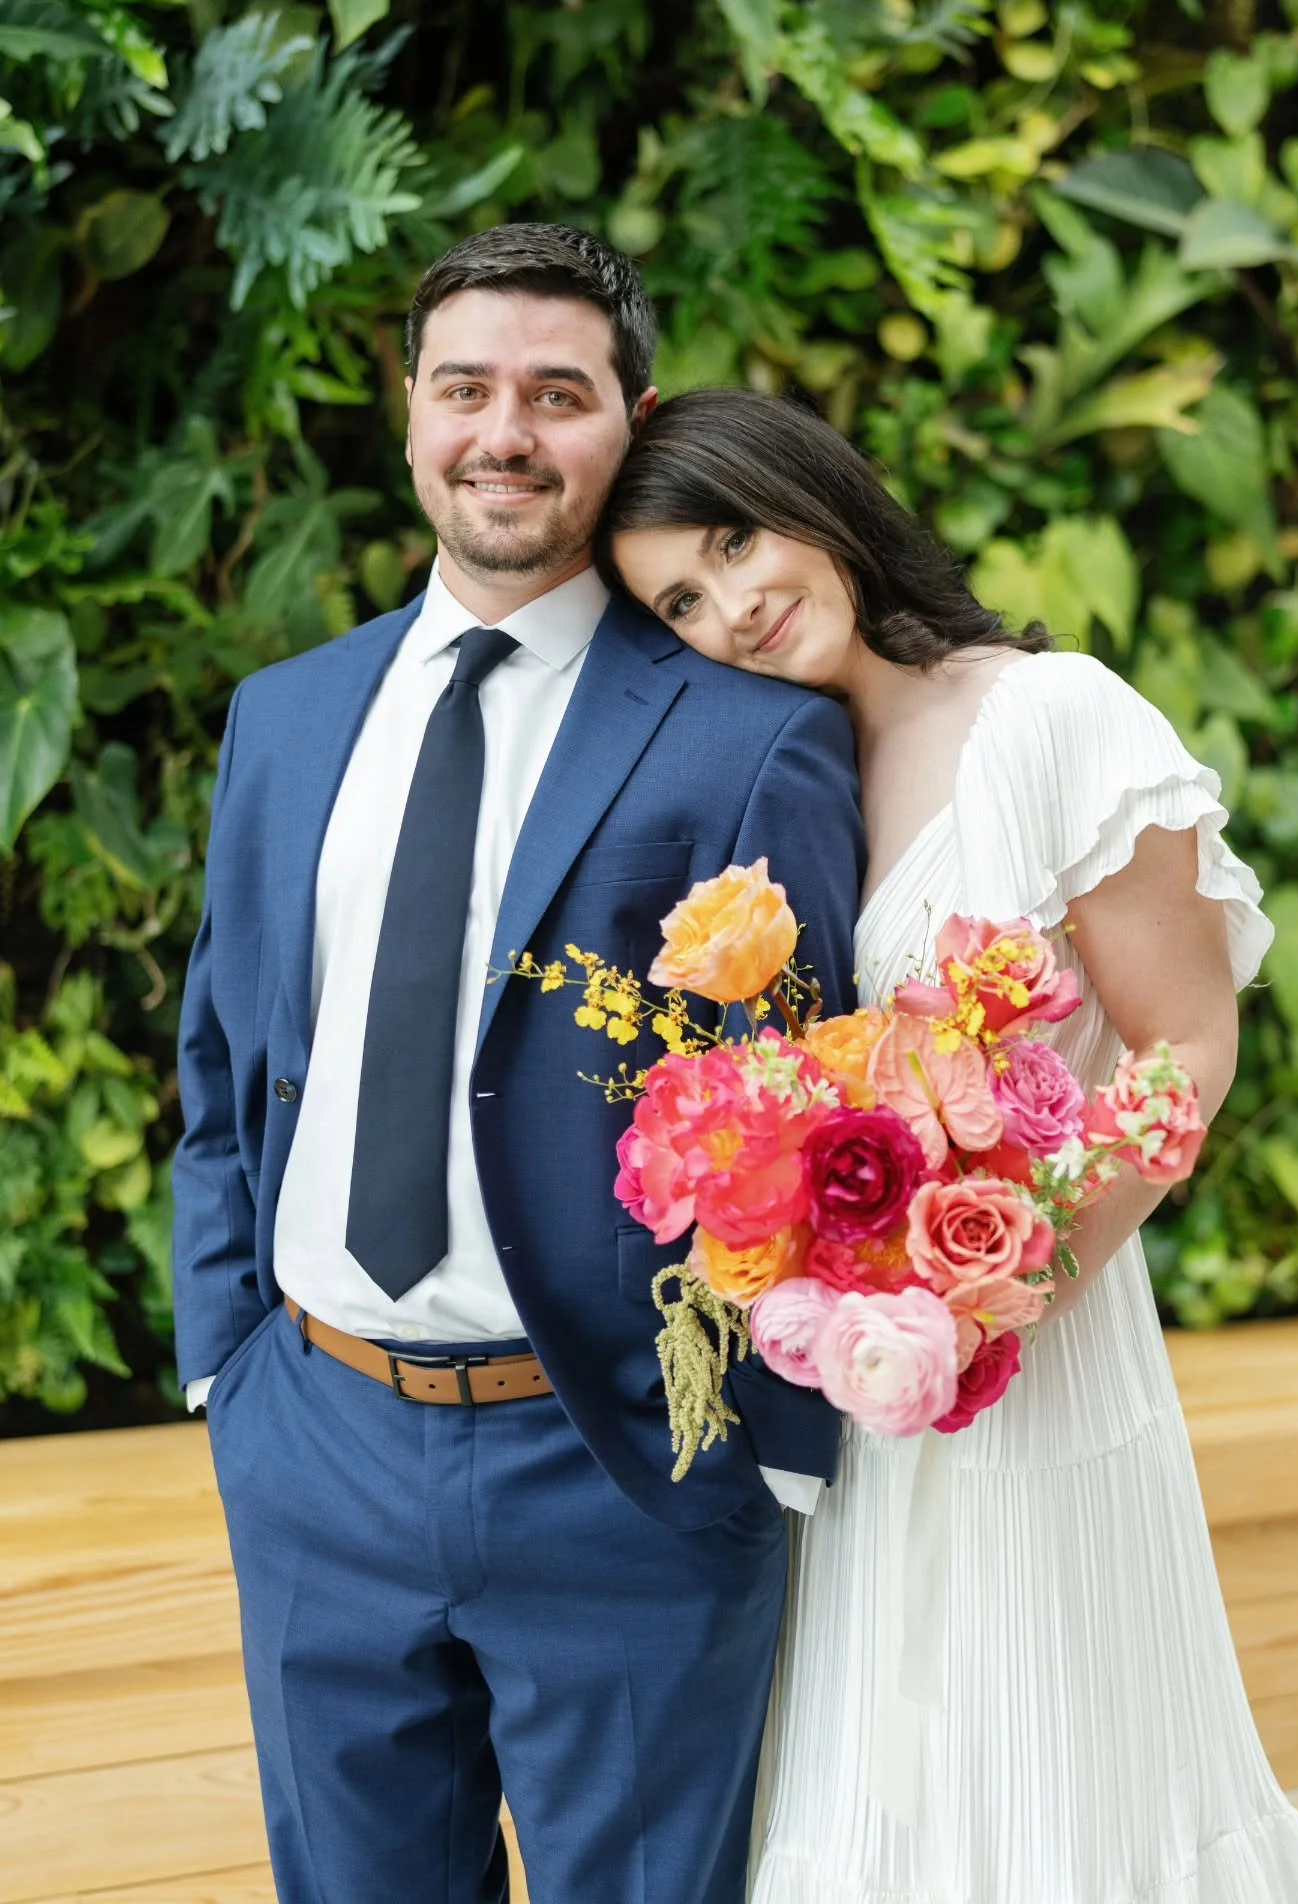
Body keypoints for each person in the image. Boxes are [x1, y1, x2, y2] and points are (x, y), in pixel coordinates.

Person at [172, 232, 863, 1904]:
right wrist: (227, 1368)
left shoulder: (749, 730)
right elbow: (226, 1049)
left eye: (558, 395)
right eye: (465, 388)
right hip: (314, 1443)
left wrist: (764, 1447)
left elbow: (814, 1106)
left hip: (618, 1468)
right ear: (411, 410)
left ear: (633, 420)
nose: (505, 433)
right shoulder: (285, 715)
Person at [600, 389, 1298, 1904]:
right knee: (885, 1779)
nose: (732, 609)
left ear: (810, 492)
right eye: (679, 602)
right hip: (862, 1392)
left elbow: (1186, 1047)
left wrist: (1007, 1292)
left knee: (1058, 1766)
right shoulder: (791, 764)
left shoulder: (1051, 718)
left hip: (1040, 1353)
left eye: (734, 544)